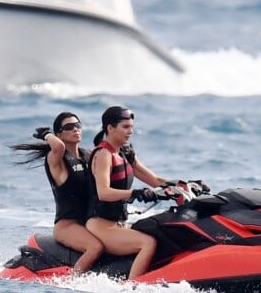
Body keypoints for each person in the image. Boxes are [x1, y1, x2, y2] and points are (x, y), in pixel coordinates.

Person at [86, 106, 177, 280]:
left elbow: (155, 180)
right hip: (101, 226)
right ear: (110, 128)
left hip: (118, 223)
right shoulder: (104, 154)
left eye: (132, 127)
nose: (130, 132)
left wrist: (183, 185)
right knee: (148, 243)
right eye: (125, 127)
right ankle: (133, 288)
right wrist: (134, 193)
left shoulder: (126, 154)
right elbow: (103, 193)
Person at [10, 112, 103, 275]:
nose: (75, 129)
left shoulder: (88, 156)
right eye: (69, 127)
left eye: (78, 126)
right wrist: (46, 135)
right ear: (59, 134)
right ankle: (75, 281)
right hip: (68, 225)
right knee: (95, 248)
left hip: (90, 222)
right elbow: (58, 147)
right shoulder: (57, 160)